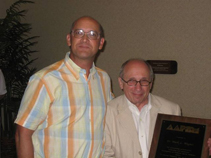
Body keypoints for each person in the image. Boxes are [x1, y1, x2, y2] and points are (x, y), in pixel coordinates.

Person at [15, 16, 114, 158]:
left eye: (92, 34)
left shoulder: (104, 79)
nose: (85, 39)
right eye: (79, 33)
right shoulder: (45, 79)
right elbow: (22, 134)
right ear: (69, 39)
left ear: (101, 43)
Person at [104, 58, 181, 158]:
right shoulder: (108, 112)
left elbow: (178, 150)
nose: (138, 88)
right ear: (121, 83)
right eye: (131, 81)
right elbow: (106, 154)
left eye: (144, 81)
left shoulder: (172, 110)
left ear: (151, 83)